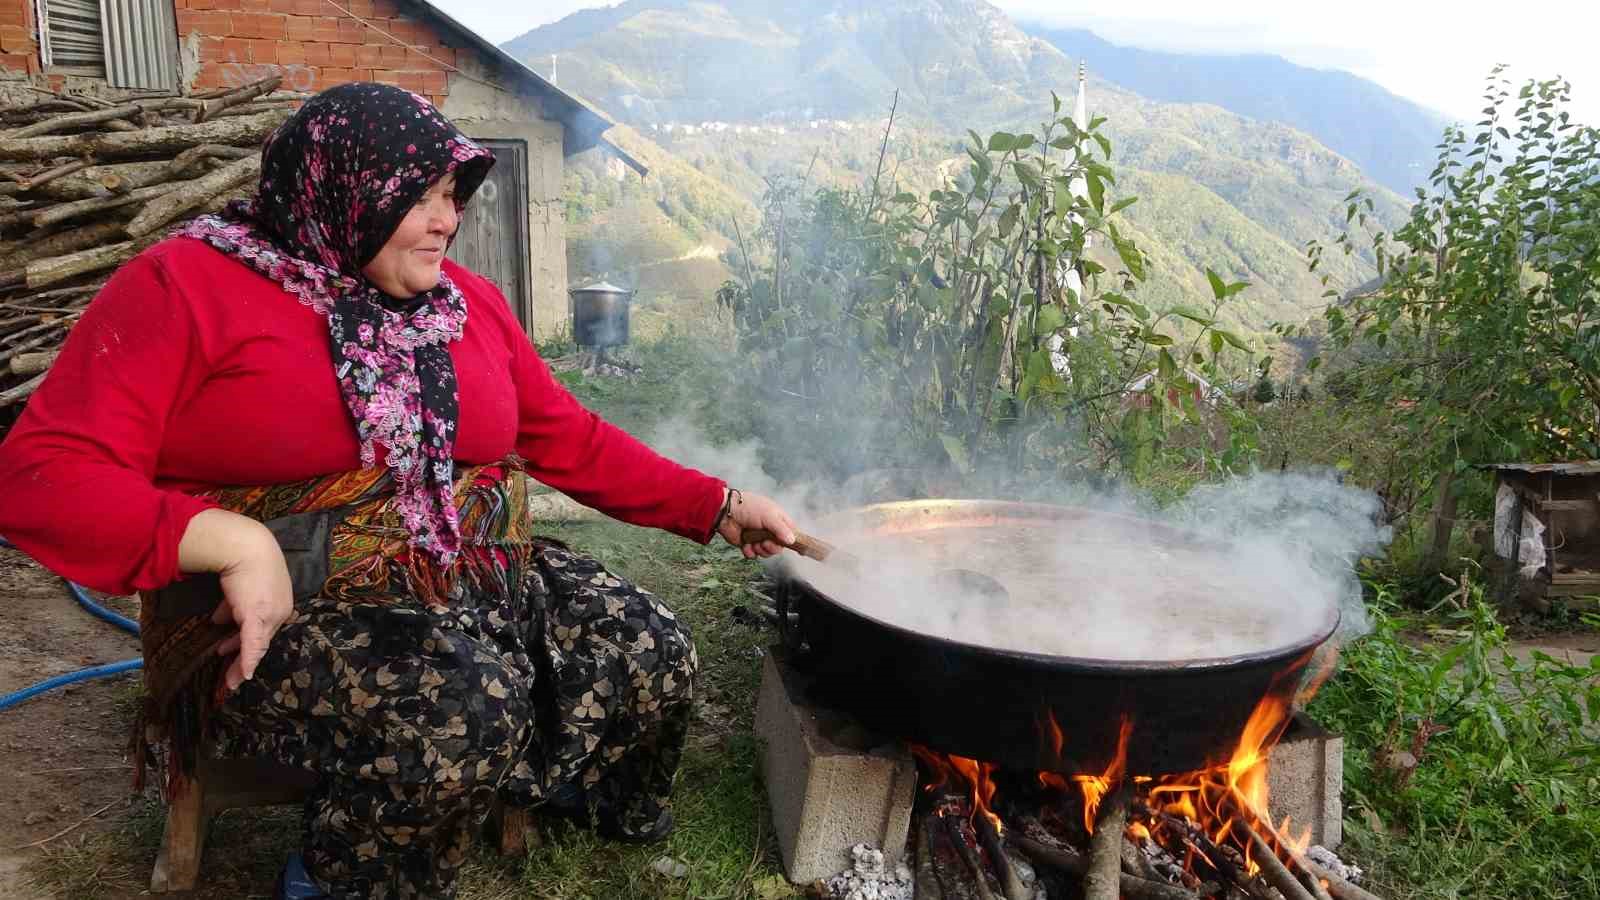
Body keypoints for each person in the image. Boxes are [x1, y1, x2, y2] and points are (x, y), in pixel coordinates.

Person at [0, 82, 798, 900]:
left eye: (452, 193)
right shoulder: (182, 288)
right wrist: (229, 540)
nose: (448, 218)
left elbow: (567, 435)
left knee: (648, 645)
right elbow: (39, 476)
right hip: (289, 605)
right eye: (419, 196)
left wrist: (720, 504)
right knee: (462, 706)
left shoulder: (465, 305)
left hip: (468, 568)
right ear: (341, 192)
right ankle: (345, 874)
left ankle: (553, 791)